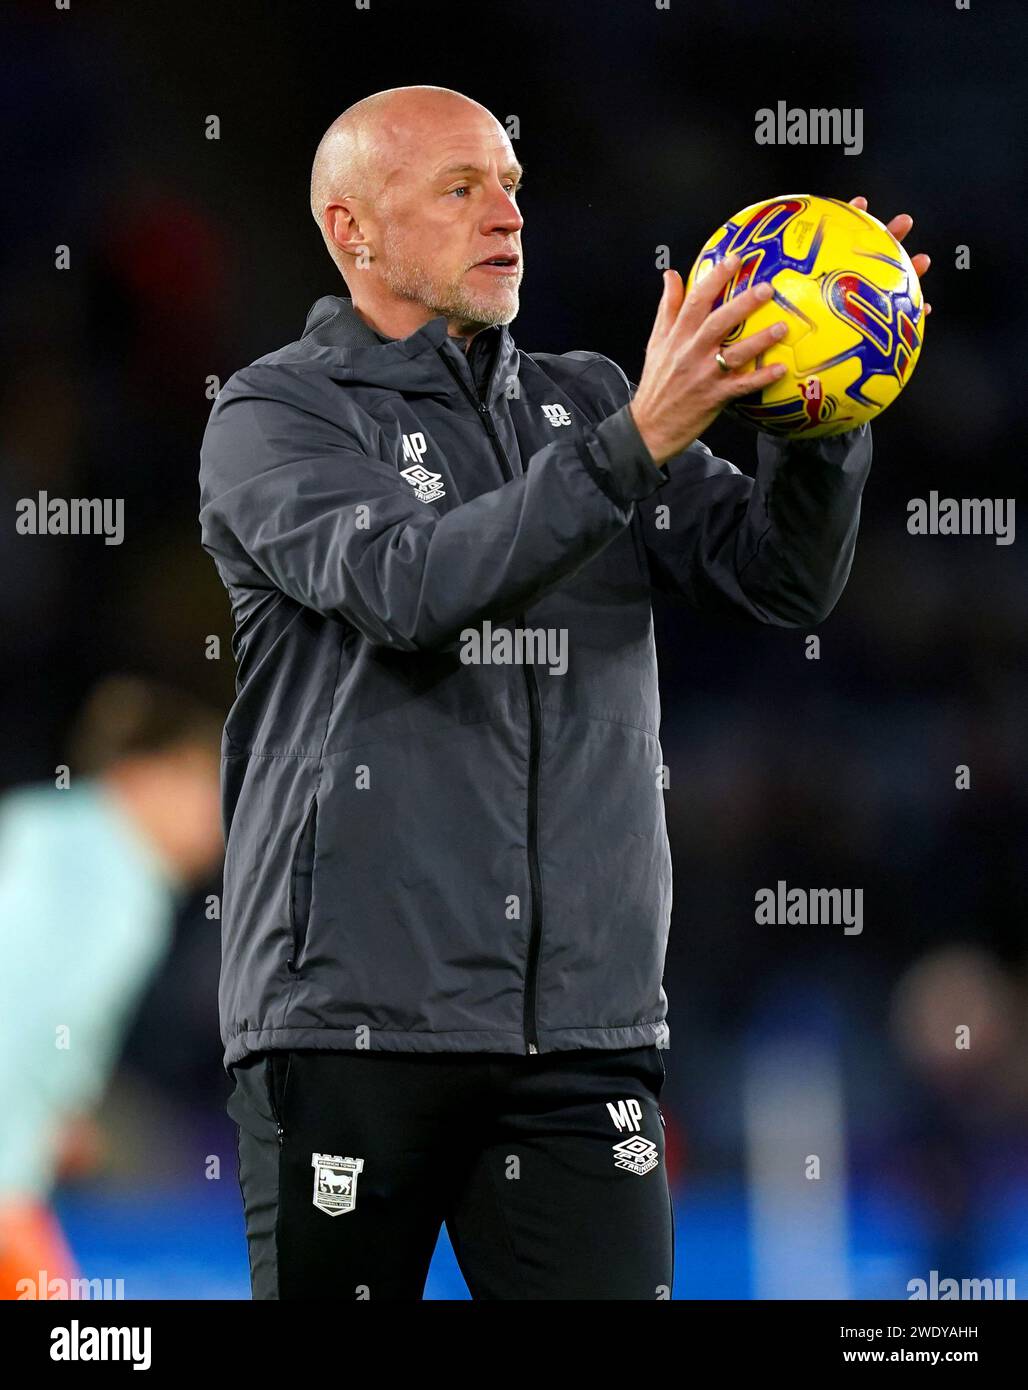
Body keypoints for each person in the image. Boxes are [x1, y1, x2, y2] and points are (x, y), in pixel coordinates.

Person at [199, 85, 930, 1300]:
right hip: (349, 1027)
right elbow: (408, 585)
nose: (507, 214)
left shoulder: (583, 401)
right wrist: (633, 441)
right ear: (352, 229)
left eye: (513, 186)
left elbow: (777, 583)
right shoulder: (276, 415)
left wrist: (818, 400)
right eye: (460, 188)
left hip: (581, 1037)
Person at [0, 675, 223, 1299]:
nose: (222, 821)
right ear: (150, 778)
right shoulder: (108, 881)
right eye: (209, 789)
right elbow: (17, 1018)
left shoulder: (44, 825)